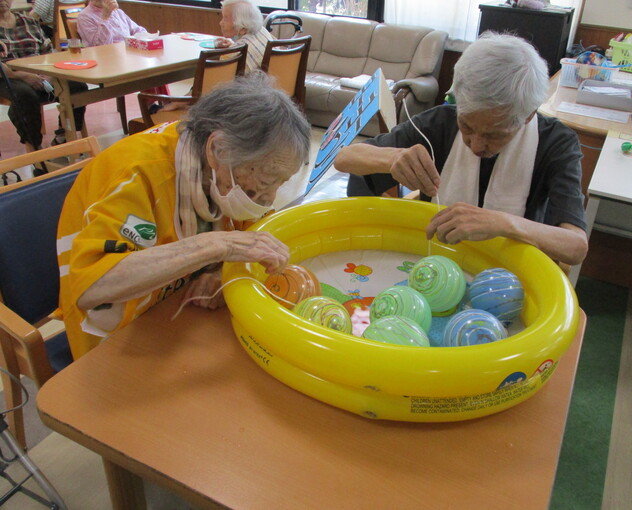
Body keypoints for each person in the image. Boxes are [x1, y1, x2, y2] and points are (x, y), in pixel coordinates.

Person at [56, 72, 310, 360]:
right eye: (266, 181)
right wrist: (214, 246)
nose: (269, 198)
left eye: (280, 183)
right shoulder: (135, 172)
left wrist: (218, 274)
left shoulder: (212, 167)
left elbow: (249, 244)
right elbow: (92, 286)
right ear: (217, 150)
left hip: (175, 318)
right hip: (110, 341)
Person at [335, 33, 588, 267]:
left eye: (494, 134)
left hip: (511, 275)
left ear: (527, 116)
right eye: (466, 126)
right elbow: (344, 158)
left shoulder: (556, 143)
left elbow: (576, 246)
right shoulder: (440, 124)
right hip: (432, 264)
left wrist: (501, 223)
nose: (476, 145)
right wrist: (391, 157)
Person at [0, 0, 87, 150]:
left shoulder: (28, 22)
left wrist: (50, 74)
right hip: (8, 76)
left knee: (77, 86)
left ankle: (63, 137)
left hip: (40, 72)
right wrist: (22, 75)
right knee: (24, 95)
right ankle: (35, 148)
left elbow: (49, 52)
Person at [214, 0, 273, 72]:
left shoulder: (232, 54)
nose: (221, 23)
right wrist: (233, 45)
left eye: (225, 18)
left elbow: (220, 78)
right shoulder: (263, 31)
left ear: (241, 22)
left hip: (250, 83)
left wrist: (233, 48)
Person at [76, 0, 146, 47]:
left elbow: (138, 30)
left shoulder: (118, 12)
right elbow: (100, 46)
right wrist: (106, 17)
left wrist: (149, 39)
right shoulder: (84, 16)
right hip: (104, 59)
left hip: (126, 53)